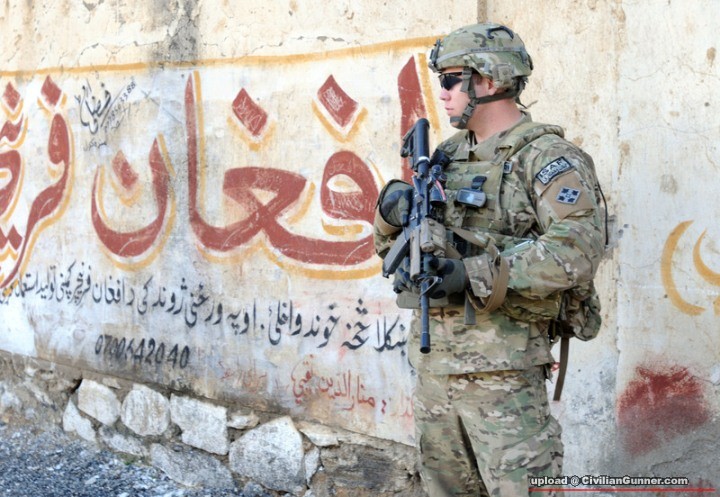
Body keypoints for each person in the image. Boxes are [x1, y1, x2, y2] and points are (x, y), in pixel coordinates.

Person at [373, 23, 606, 497]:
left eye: (450, 79)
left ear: (491, 79)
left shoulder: (546, 158)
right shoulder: (445, 157)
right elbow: (392, 253)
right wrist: (388, 214)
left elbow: (576, 250)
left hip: (504, 373)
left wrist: (471, 273)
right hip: (436, 368)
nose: (442, 93)